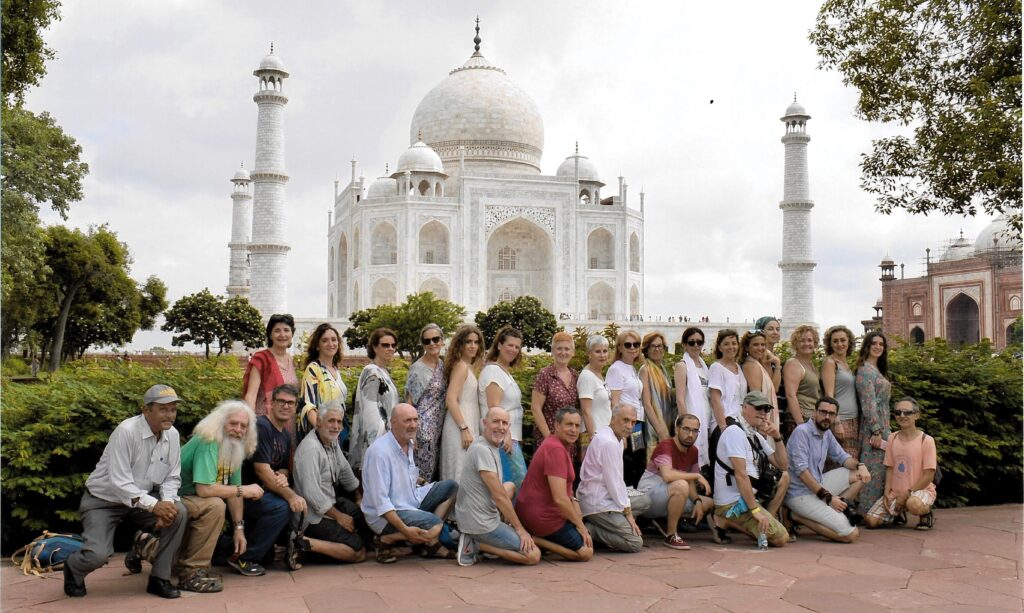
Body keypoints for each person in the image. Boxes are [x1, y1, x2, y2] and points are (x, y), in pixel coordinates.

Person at [63, 385, 188, 599]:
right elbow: (120, 483)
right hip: (103, 500)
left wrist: (166, 504)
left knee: (179, 512)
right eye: (163, 409)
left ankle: (160, 578)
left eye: (173, 409)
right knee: (97, 555)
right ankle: (73, 567)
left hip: (141, 500)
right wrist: (155, 506)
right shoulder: (126, 431)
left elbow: (172, 476)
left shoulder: (172, 435)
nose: (170, 415)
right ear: (146, 410)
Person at [131, 400, 264, 593]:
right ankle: (193, 574)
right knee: (216, 505)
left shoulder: (235, 447)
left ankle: (145, 544)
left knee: (175, 564)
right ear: (221, 423)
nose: (238, 429)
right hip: (167, 498)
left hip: (191, 501)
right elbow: (205, 490)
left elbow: (234, 492)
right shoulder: (209, 441)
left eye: (244, 426)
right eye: (233, 423)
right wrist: (245, 489)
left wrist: (239, 529)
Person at [360, 403, 459, 563]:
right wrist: (406, 531)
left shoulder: (408, 443)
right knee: (435, 524)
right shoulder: (380, 453)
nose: (413, 425)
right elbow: (382, 504)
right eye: (407, 421)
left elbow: (405, 475)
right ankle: (389, 539)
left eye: (415, 419)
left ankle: (423, 539)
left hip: (410, 501)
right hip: (386, 516)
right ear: (393, 423)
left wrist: (420, 481)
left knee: (452, 487)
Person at [454, 406, 541, 567]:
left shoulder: (489, 444)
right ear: (484, 423)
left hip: (472, 514)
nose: (500, 427)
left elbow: (502, 491)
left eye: (504, 423)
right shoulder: (483, 450)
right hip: (481, 523)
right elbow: (499, 496)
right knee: (533, 555)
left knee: (509, 486)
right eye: (495, 422)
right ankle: (477, 545)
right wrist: (520, 529)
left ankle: (480, 539)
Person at [233, 384, 305, 576]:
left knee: (268, 555)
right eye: (281, 401)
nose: (286, 406)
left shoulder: (284, 435)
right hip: (240, 495)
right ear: (271, 404)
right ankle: (246, 558)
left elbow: (279, 467)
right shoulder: (261, 427)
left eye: (291, 403)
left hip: (262, 493)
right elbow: (262, 470)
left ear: (296, 407)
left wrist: (283, 475)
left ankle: (240, 549)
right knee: (282, 506)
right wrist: (291, 495)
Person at [784, 397, 871, 543]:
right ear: (814, 413)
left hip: (818, 485)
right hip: (799, 494)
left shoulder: (826, 434)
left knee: (859, 475)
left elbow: (844, 458)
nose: (827, 417)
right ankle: (794, 516)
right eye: (823, 412)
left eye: (831, 414)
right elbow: (803, 474)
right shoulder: (802, 432)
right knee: (850, 534)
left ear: (835, 417)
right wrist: (829, 498)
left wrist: (861, 466)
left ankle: (839, 506)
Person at [292, 401, 370, 565]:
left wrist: (358, 498)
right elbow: (311, 494)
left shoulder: (331, 442)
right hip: (312, 517)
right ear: (319, 422)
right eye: (331, 421)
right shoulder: (311, 449)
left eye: (339, 422)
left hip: (331, 505)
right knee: (359, 552)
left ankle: (316, 551)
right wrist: (340, 517)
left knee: (366, 516)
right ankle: (302, 542)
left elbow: (345, 472)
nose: (335, 426)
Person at [514, 407, 593, 561]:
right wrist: (581, 527)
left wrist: (575, 504)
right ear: (557, 425)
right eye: (568, 424)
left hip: (540, 513)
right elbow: (560, 499)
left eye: (577, 426)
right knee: (585, 552)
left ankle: (544, 540)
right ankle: (537, 540)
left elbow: (566, 492)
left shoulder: (557, 444)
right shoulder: (555, 449)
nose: (573, 430)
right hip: (543, 518)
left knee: (578, 517)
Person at [713, 391, 790, 547]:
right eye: (758, 408)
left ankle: (767, 519)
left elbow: (782, 465)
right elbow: (741, 475)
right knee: (780, 538)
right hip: (732, 503)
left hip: (750, 496)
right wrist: (755, 511)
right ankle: (724, 520)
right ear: (745, 407)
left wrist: (777, 437)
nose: (763, 413)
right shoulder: (735, 432)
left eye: (766, 409)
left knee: (784, 477)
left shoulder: (753, 434)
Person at [578, 404, 652, 553]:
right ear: (613, 419)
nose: (630, 426)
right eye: (625, 420)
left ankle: (615, 526)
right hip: (597, 503)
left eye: (633, 422)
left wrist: (626, 507)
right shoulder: (609, 443)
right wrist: (628, 514)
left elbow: (617, 482)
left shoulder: (615, 438)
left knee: (645, 500)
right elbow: (614, 483)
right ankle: (590, 530)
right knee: (635, 543)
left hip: (608, 496)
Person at [638, 413, 714, 550]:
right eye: (686, 429)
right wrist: (696, 476)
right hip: (648, 498)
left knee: (708, 503)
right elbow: (667, 475)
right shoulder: (666, 446)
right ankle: (671, 535)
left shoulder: (693, 451)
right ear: (677, 429)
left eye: (695, 431)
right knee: (681, 485)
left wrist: (697, 500)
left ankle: (665, 521)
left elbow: (688, 479)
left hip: (670, 494)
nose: (690, 434)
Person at [864, 397, 938, 530]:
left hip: (920, 491)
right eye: (898, 413)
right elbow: (890, 468)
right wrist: (887, 491)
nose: (902, 416)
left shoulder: (926, 440)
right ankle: (898, 514)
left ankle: (926, 513)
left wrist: (907, 494)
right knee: (871, 521)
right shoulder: (893, 437)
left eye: (907, 412)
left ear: (917, 415)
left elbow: (929, 476)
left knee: (913, 504)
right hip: (896, 493)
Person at [479, 326, 528, 489]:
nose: (513, 350)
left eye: (517, 347)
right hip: (504, 438)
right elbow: (494, 408)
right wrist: (505, 434)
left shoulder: (505, 371)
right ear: (499, 345)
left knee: (514, 484)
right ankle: (508, 515)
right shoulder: (493, 371)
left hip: (511, 437)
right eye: (510, 345)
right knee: (514, 483)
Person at [350, 327, 400, 471]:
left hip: (389, 437)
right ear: (374, 347)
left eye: (393, 345)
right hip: (378, 440)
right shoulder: (371, 371)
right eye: (385, 345)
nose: (390, 349)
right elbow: (370, 410)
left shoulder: (383, 372)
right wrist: (380, 442)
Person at [440, 325, 484, 482]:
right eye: (468, 342)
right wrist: (464, 429)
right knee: (458, 477)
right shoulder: (461, 367)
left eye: (476, 342)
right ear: (460, 344)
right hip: (459, 426)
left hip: (467, 422)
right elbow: (451, 399)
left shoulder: (468, 367)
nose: (473, 346)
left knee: (467, 476)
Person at [405, 323, 448, 481]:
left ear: (442, 340)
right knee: (421, 478)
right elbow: (409, 402)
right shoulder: (418, 368)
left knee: (432, 476)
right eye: (427, 341)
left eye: (435, 339)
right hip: (422, 431)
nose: (432, 344)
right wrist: (410, 434)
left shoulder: (443, 366)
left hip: (438, 429)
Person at [855, 331, 891, 516]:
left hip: (883, 425)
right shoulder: (865, 370)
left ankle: (880, 511)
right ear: (867, 347)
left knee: (881, 470)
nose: (878, 347)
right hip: (873, 428)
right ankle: (867, 512)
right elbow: (868, 403)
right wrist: (876, 431)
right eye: (874, 343)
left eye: (881, 344)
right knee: (872, 470)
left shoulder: (876, 369)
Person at [605, 329, 647, 487]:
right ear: (620, 348)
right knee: (628, 465)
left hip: (637, 424)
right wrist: (619, 434)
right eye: (628, 344)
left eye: (636, 344)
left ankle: (633, 500)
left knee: (637, 462)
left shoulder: (632, 368)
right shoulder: (616, 368)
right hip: (625, 425)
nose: (632, 348)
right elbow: (614, 403)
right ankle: (626, 502)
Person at [297, 322, 348, 443]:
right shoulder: (314, 369)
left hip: (337, 431)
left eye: (334, 340)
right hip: (321, 435)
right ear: (317, 346)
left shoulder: (335, 370)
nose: (331, 344)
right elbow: (308, 406)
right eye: (325, 340)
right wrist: (323, 434)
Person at [243, 314, 299, 423]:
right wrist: (249, 424)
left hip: (287, 422)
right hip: (265, 423)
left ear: (292, 333)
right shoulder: (261, 359)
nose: (282, 335)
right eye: (277, 330)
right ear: (270, 334)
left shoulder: (291, 360)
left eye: (286, 330)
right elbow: (251, 394)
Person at [531, 331, 579, 450]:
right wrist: (549, 438)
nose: (563, 352)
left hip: (569, 440)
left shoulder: (575, 376)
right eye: (559, 349)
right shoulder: (545, 374)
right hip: (549, 440)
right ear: (552, 351)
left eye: (567, 349)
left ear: (572, 352)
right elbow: (536, 408)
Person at [674, 327, 712, 467]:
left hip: (705, 422)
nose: (696, 345)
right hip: (690, 424)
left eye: (699, 342)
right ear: (684, 344)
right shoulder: (682, 366)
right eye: (691, 342)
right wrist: (687, 426)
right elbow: (680, 398)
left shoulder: (705, 368)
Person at [820, 325, 859, 460]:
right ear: (830, 344)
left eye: (843, 340)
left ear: (849, 342)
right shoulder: (830, 363)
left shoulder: (846, 364)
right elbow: (829, 396)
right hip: (841, 420)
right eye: (835, 341)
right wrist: (836, 422)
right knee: (841, 464)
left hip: (853, 420)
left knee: (852, 462)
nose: (840, 344)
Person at [709, 329, 747, 433]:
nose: (731, 347)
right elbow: (715, 400)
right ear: (720, 347)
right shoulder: (716, 367)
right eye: (726, 344)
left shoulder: (738, 367)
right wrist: (723, 427)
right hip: (724, 422)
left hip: (739, 422)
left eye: (734, 343)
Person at [638, 332, 673, 447]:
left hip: (667, 422)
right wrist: (660, 430)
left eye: (659, 346)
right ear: (646, 350)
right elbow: (647, 403)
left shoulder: (663, 370)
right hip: (653, 427)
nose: (657, 349)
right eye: (652, 346)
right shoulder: (645, 370)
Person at [740, 330, 780, 431]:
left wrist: (778, 364)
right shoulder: (751, 366)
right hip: (760, 420)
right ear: (747, 347)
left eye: (763, 345)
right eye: (755, 345)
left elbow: (774, 388)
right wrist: (762, 425)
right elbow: (756, 399)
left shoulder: (758, 364)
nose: (760, 348)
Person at [783, 324, 820, 428]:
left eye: (810, 340)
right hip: (799, 418)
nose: (806, 343)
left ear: (815, 343)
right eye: (802, 340)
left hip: (812, 419)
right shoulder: (793, 363)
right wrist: (800, 425)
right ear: (796, 344)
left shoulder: (812, 365)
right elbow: (791, 395)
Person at [577, 335, 612, 437]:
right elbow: (586, 411)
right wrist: (593, 438)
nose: (602, 355)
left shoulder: (599, 375)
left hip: (605, 433)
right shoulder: (587, 377)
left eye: (605, 351)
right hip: (596, 435)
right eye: (598, 351)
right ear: (589, 354)